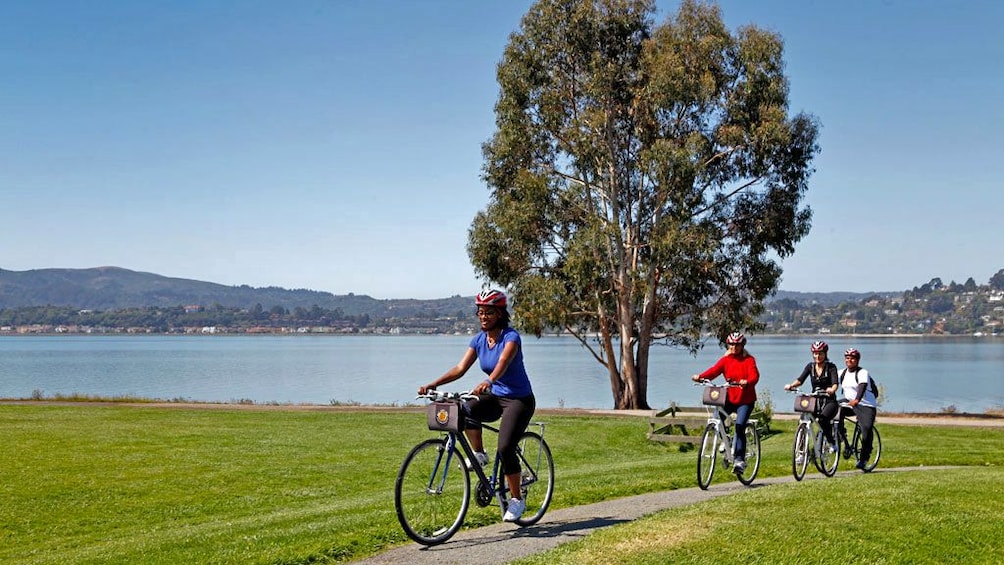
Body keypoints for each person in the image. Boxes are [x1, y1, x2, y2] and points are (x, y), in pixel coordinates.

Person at [418, 289, 536, 522]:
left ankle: (516, 499)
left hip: (518, 400)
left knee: (505, 448)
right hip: (494, 397)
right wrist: (433, 384)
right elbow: (460, 369)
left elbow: (503, 362)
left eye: (489, 312)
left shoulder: (511, 337)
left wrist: (488, 380)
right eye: (480, 312)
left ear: (500, 314)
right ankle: (479, 454)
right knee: (465, 408)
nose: (483, 316)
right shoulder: (479, 340)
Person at [690, 331, 760, 474]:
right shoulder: (725, 360)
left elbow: (755, 375)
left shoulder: (749, 360)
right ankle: (726, 439)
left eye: (737, 344)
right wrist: (700, 377)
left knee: (740, 426)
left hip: (745, 400)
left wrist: (747, 382)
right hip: (729, 398)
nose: (734, 347)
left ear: (742, 345)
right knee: (718, 418)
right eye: (731, 344)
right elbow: (714, 371)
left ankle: (740, 460)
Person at [784, 341, 840, 449]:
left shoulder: (831, 367)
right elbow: (800, 380)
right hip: (815, 400)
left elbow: (835, 383)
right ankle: (800, 451)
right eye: (815, 353)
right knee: (803, 420)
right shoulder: (810, 367)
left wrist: (832, 390)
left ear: (825, 354)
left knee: (823, 420)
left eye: (820, 353)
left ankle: (831, 442)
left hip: (829, 401)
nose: (817, 356)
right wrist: (791, 386)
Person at [838, 347, 877, 470]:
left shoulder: (862, 373)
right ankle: (840, 434)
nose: (850, 360)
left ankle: (864, 457)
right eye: (847, 358)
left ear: (858, 360)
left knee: (866, 428)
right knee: (833, 410)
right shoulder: (841, 373)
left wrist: (857, 400)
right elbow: (832, 384)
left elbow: (862, 387)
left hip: (865, 405)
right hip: (849, 403)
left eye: (853, 358)